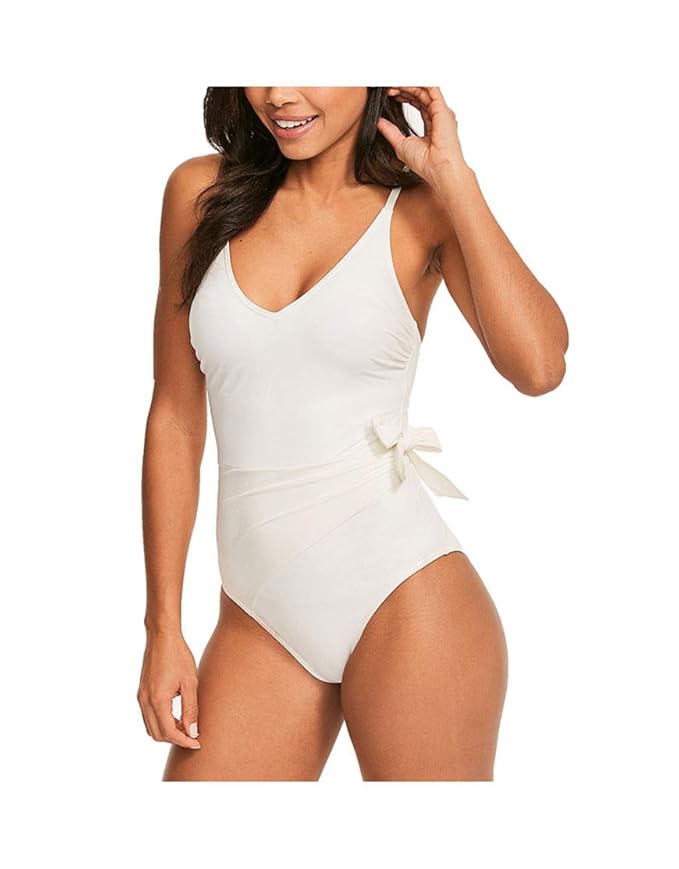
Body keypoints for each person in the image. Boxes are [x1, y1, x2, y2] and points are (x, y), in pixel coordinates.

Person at [138, 86, 569, 781]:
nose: (279, 94)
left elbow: (540, 367)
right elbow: (175, 417)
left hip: (405, 597)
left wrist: (456, 182)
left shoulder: (422, 209)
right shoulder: (200, 194)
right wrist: (163, 625)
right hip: (259, 616)